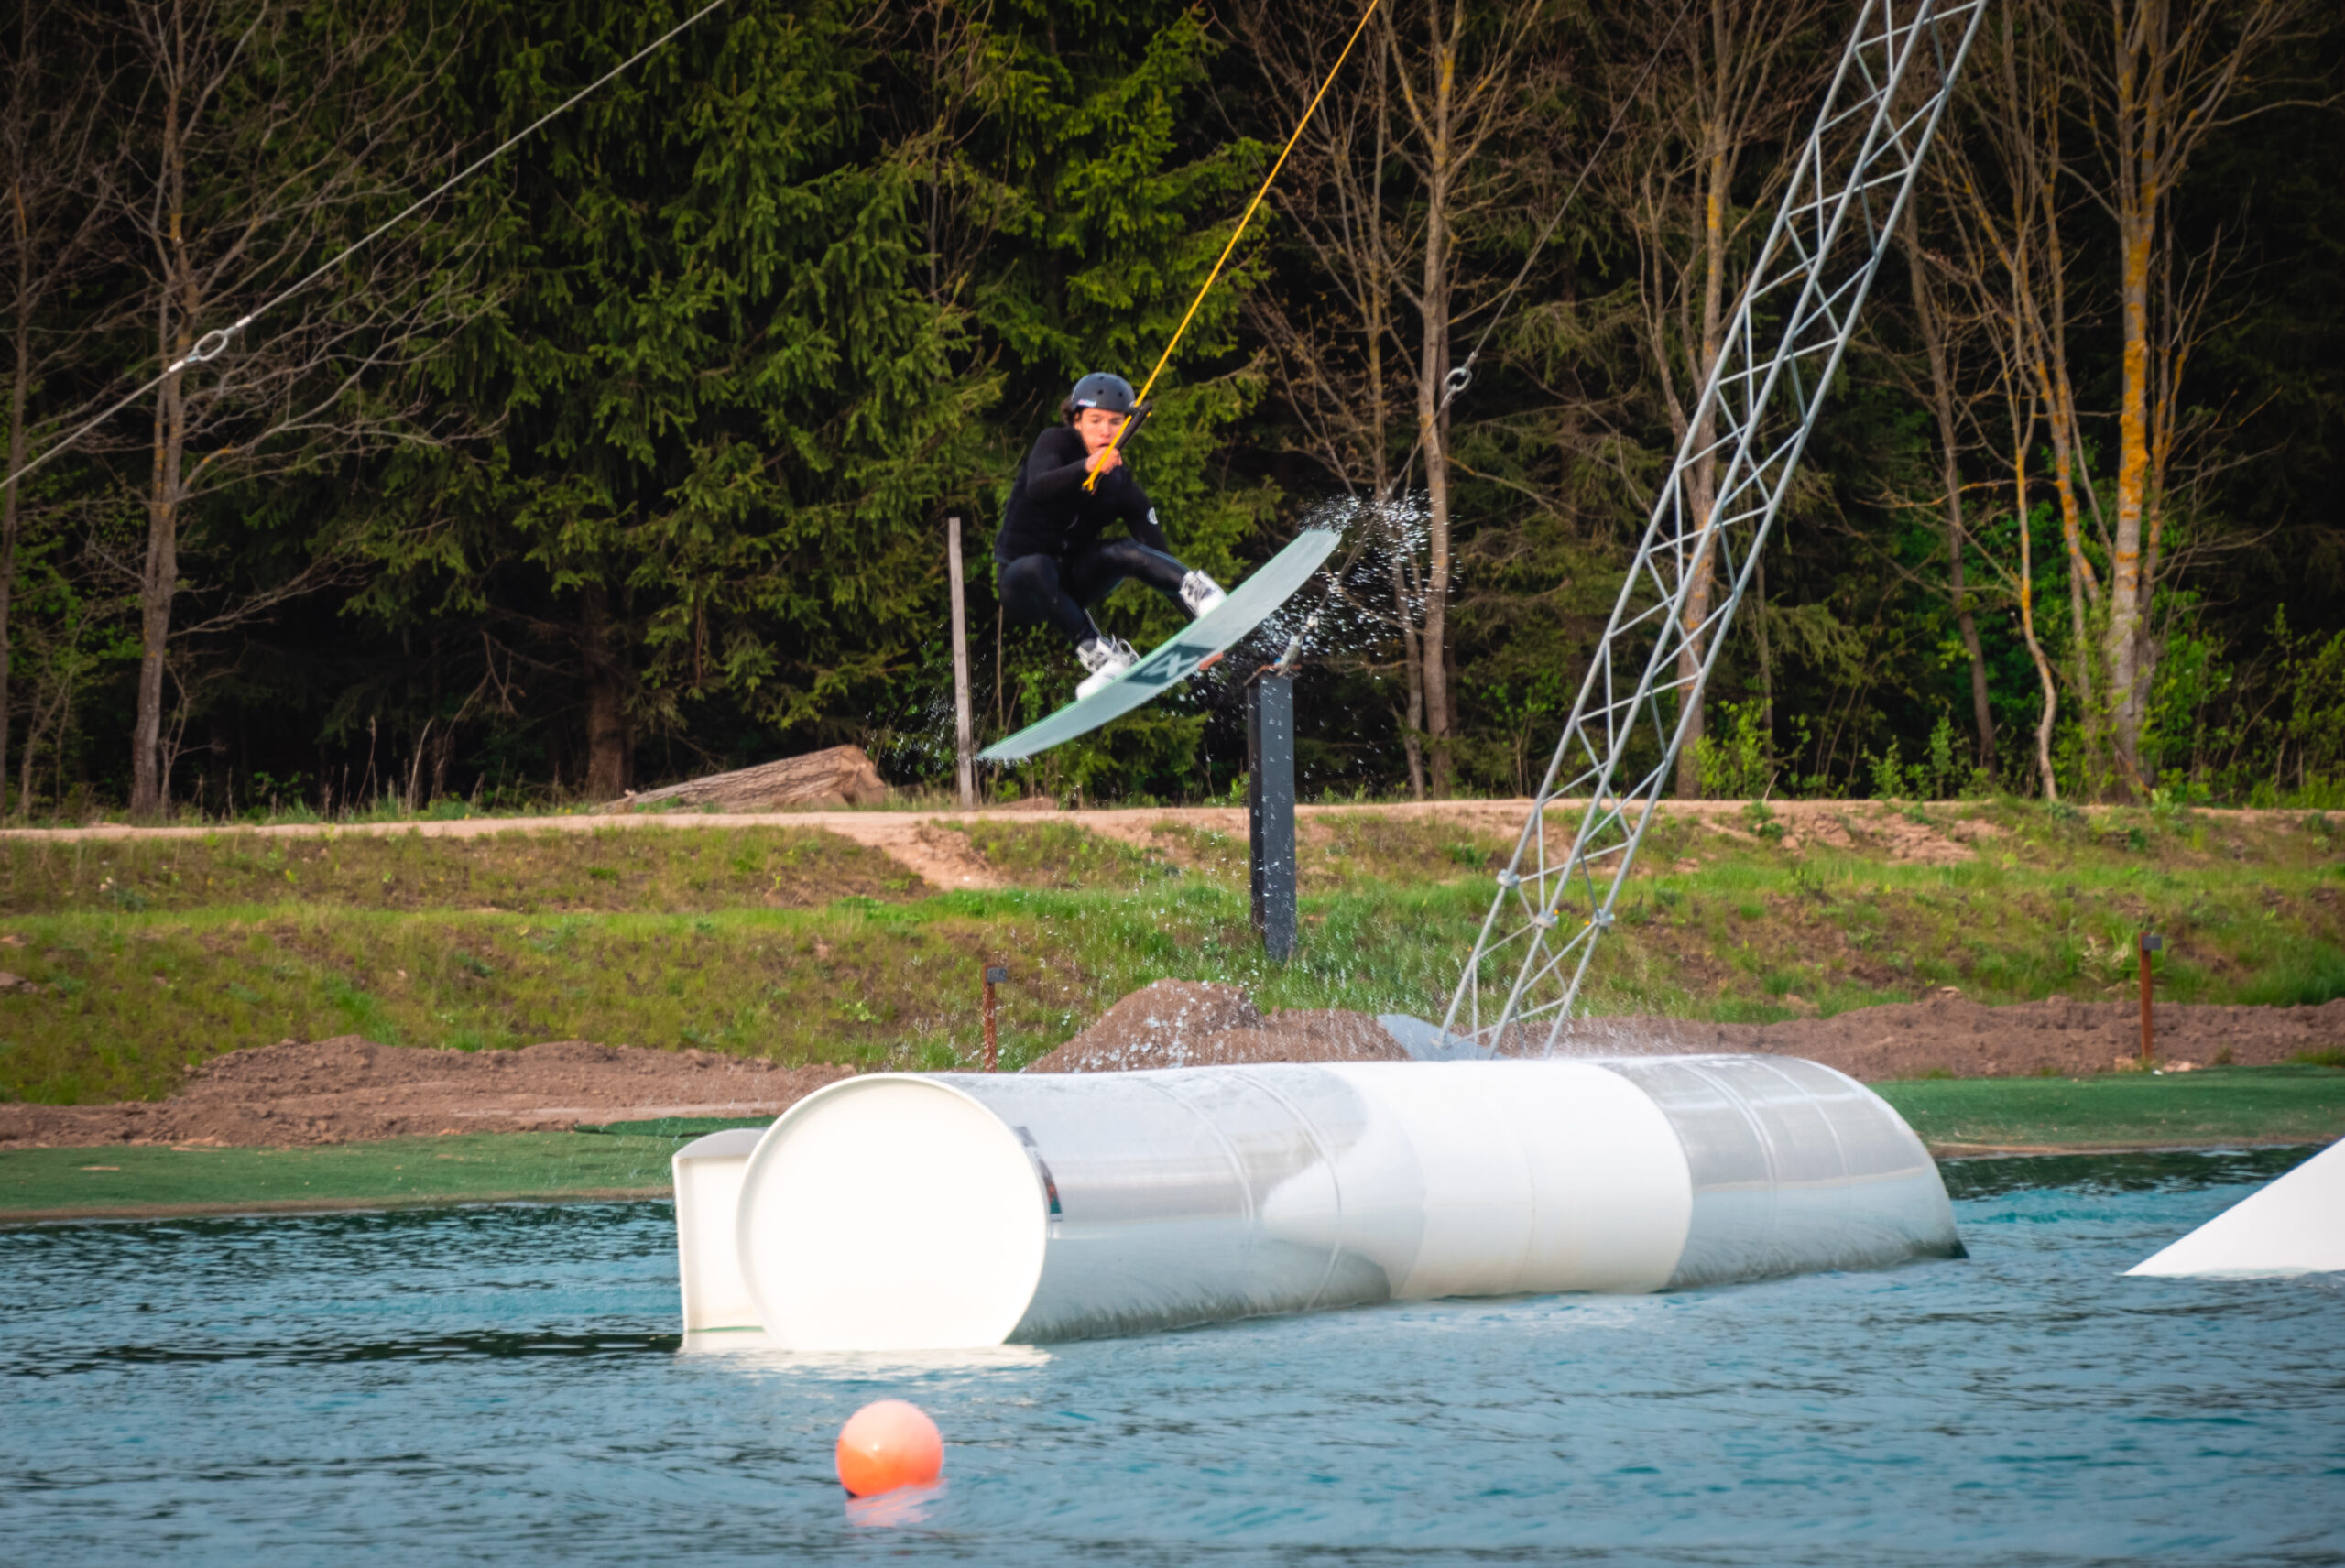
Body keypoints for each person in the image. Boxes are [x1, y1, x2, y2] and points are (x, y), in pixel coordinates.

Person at [995, 372, 1227, 698]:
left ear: (1127, 426)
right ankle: (1099, 654)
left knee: (1125, 551)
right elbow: (1038, 486)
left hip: (1073, 584)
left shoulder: (1120, 485)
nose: (1105, 431)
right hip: (1022, 586)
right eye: (1095, 420)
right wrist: (1086, 467)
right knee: (1037, 566)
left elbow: (1156, 556)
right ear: (1077, 421)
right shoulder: (1056, 443)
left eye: (1115, 422)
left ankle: (1202, 595)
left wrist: (1201, 630)